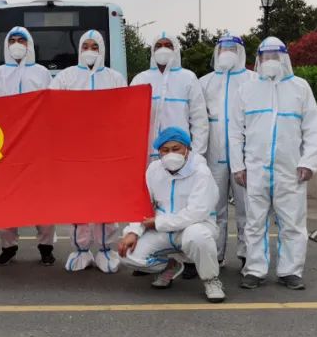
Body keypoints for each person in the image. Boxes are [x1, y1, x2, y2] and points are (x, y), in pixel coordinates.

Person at [229, 36, 317, 291]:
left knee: (292, 223)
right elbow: (235, 131)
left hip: (290, 170)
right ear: (258, 59)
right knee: (254, 222)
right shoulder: (247, 89)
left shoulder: (300, 88)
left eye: (274, 56)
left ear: (284, 58)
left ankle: (290, 271)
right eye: (265, 56)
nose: (270, 61)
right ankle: (254, 270)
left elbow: (313, 128)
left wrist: (309, 162)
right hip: (255, 170)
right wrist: (238, 166)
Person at [49, 29, 127, 273]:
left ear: (102, 49)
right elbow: (51, 108)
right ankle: (80, 249)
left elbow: (125, 112)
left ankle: (105, 249)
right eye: (85, 46)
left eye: (95, 47)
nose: (90, 51)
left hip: (107, 152)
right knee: (77, 201)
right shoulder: (66, 77)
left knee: (106, 202)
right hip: (75, 152)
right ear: (79, 49)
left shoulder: (115, 78)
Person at [117, 127, 225, 302]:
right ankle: (170, 266)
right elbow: (143, 205)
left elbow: (196, 213)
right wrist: (133, 232)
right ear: (159, 152)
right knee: (128, 254)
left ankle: (210, 280)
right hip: (162, 229)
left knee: (198, 236)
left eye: (176, 149)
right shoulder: (154, 170)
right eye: (165, 150)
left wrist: (158, 223)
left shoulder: (201, 172)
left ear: (187, 149)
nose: (171, 154)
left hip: (194, 226)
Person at [0, 26, 56, 266]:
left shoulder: (41, 73)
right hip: (6, 146)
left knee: (42, 196)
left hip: (36, 145)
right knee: (7, 196)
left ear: (29, 45)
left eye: (22, 40)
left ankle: (46, 246)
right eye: (13, 40)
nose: (17, 44)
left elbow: (50, 107)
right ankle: (8, 246)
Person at [199, 32, 255, 269]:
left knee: (246, 206)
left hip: (245, 154)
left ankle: (247, 255)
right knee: (214, 207)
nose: (227, 53)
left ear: (240, 52)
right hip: (213, 153)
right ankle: (215, 254)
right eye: (223, 49)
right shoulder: (205, 82)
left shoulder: (254, 80)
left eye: (232, 49)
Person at [130, 32, 208, 164]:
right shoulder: (141, 79)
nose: (163, 49)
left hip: (179, 152)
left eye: (168, 45)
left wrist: (196, 154)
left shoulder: (188, 78)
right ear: (152, 50)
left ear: (175, 49)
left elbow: (199, 120)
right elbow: (130, 118)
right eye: (158, 46)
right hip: (147, 154)